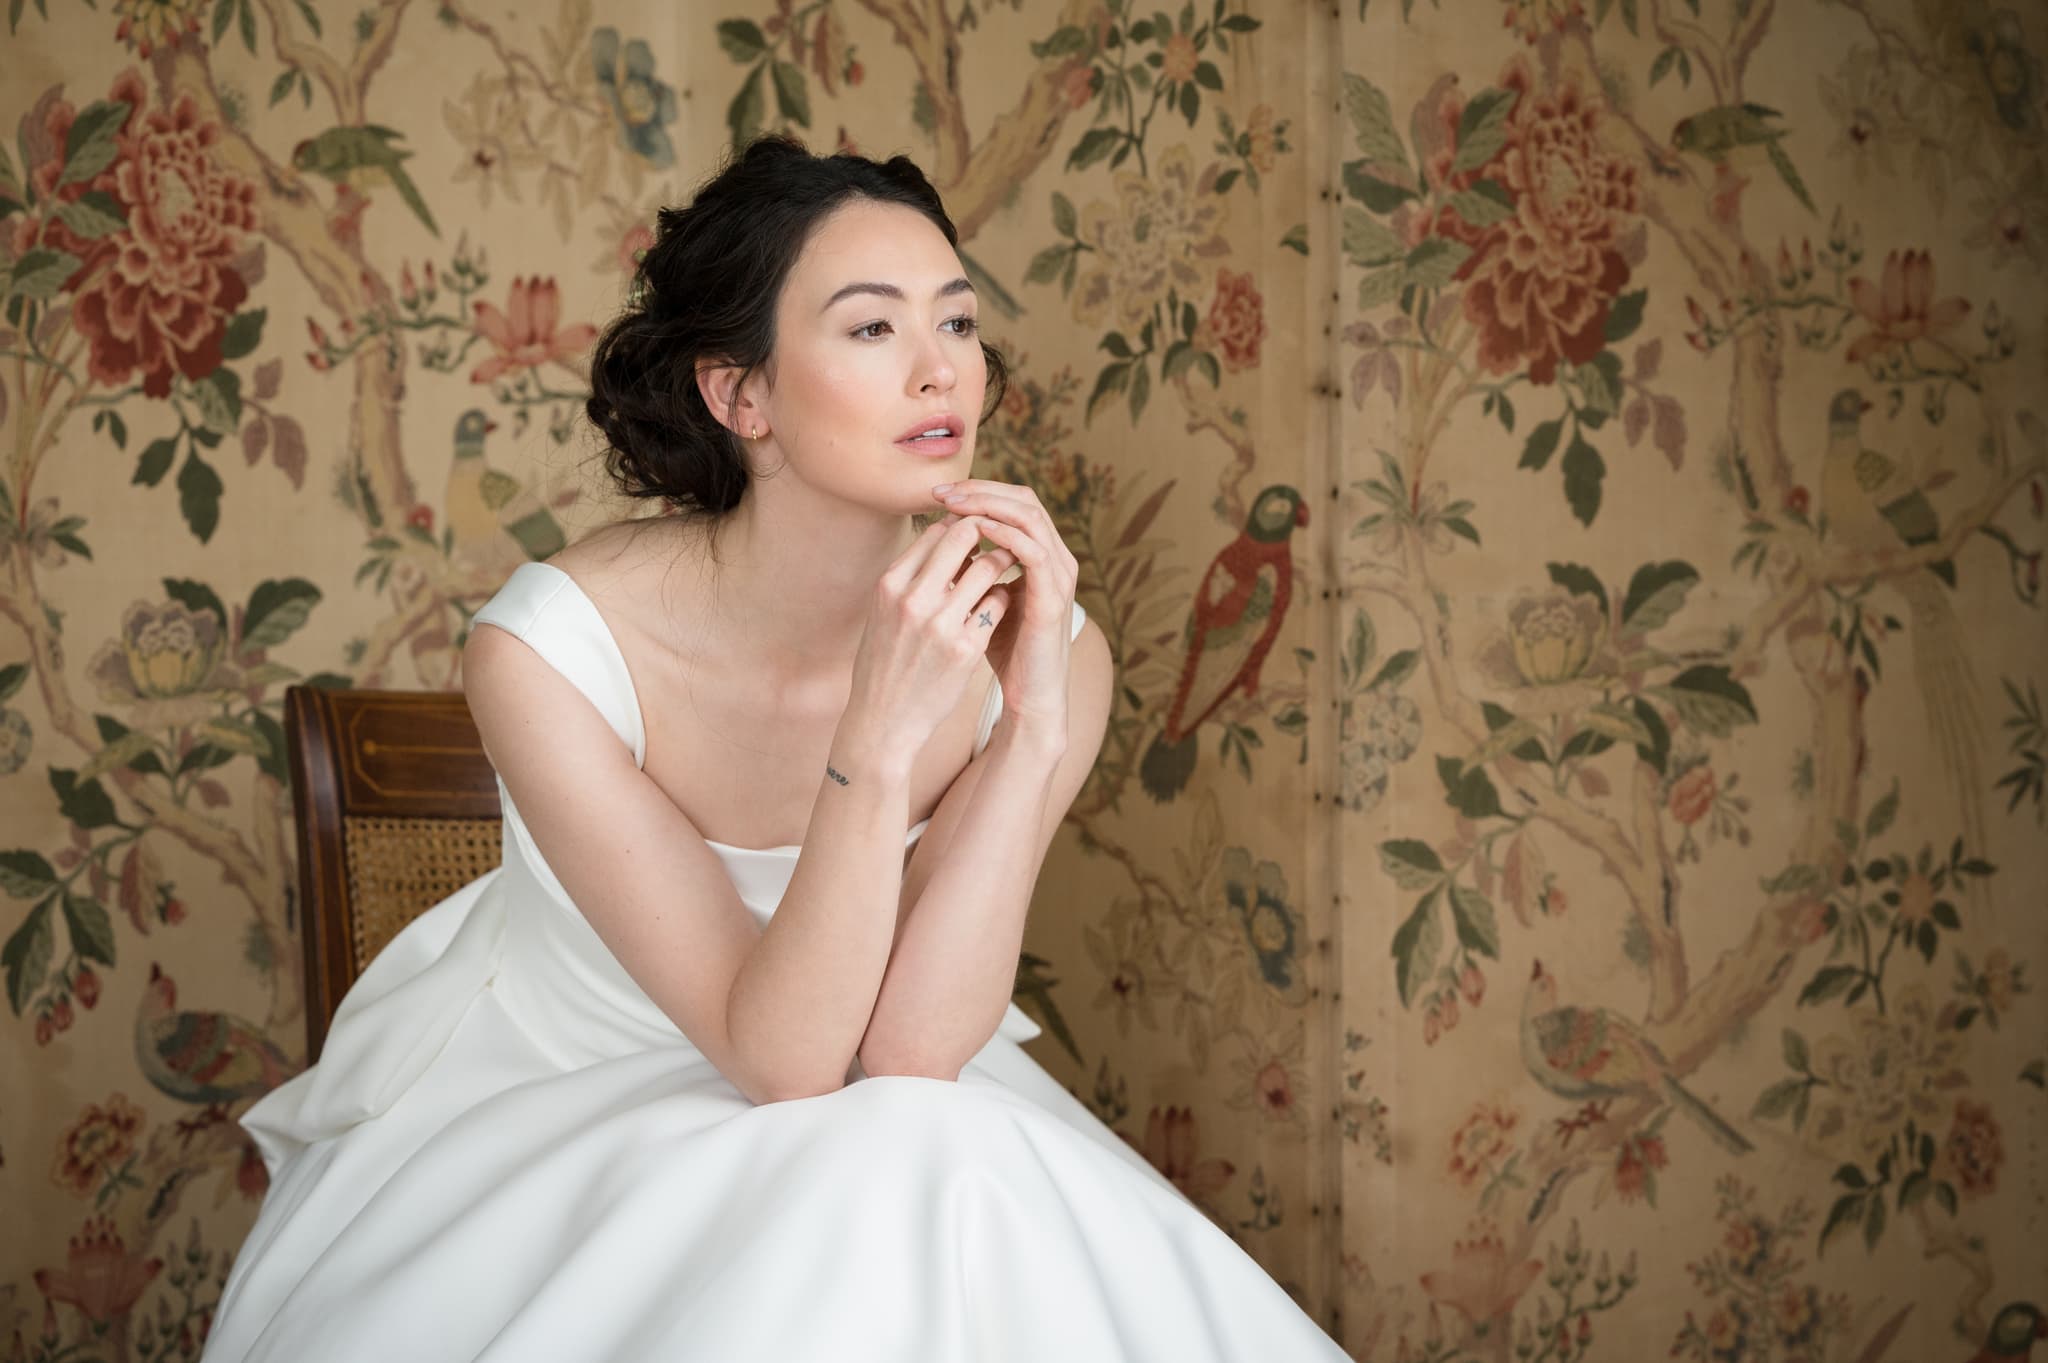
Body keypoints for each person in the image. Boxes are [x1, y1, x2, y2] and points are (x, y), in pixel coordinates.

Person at [204, 134, 1351, 1362]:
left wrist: (1030, 730)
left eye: (957, 325)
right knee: (889, 1178)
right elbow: (787, 1061)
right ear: (737, 396)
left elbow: (909, 1052)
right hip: (572, 1101)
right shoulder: (550, 650)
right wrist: (875, 731)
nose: (939, 374)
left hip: (892, 1101)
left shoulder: (1046, 646)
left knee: (936, 1164)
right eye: (870, 330)